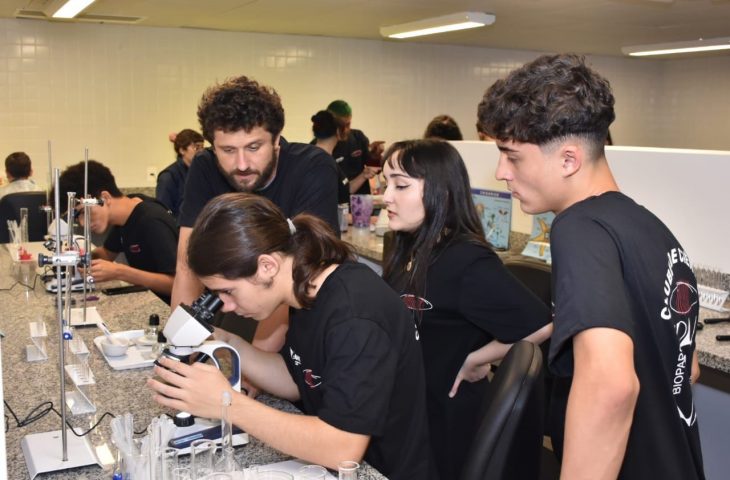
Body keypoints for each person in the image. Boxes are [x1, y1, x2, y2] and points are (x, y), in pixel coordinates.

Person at [478, 54, 704, 479]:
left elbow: (611, 386)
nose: (501, 172)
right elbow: (685, 365)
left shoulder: (579, 229)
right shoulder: (648, 227)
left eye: (512, 156)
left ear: (568, 160)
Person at [148, 193, 434, 479]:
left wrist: (227, 403)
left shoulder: (355, 317)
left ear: (267, 266)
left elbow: (342, 449)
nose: (227, 306)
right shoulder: (306, 291)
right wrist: (223, 340)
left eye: (228, 291)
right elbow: (299, 379)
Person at [380, 138, 552, 480]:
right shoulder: (407, 248)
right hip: (408, 413)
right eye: (385, 184)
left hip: (444, 427)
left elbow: (542, 323)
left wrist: (479, 357)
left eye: (400, 185)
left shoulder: (466, 260)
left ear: (441, 194)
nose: (386, 196)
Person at [173, 75, 339, 332]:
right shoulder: (204, 166)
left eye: (253, 147)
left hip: (295, 306)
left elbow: (297, 274)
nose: (241, 164)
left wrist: (254, 368)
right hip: (234, 300)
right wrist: (181, 343)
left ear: (276, 140)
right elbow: (186, 264)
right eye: (227, 150)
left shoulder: (312, 168)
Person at [58, 160, 179, 304]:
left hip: (172, 310)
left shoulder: (151, 220)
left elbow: (176, 285)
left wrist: (120, 272)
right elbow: (107, 254)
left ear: (105, 198)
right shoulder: (124, 215)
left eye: (84, 212)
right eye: (77, 217)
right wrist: (78, 257)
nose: (83, 223)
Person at [311, 110, 378, 204]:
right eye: (346, 126)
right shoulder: (326, 163)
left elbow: (346, 190)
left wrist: (363, 176)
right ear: (338, 132)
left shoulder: (316, 158)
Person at [327, 100, 384, 196]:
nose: (345, 130)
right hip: (335, 203)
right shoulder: (319, 147)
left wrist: (376, 155)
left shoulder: (358, 137)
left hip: (360, 201)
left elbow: (374, 167)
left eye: (348, 124)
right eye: (340, 126)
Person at [156, 128, 204, 218]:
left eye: (202, 147)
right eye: (196, 148)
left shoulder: (200, 172)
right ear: (182, 150)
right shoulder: (168, 177)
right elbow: (164, 211)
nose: (201, 152)